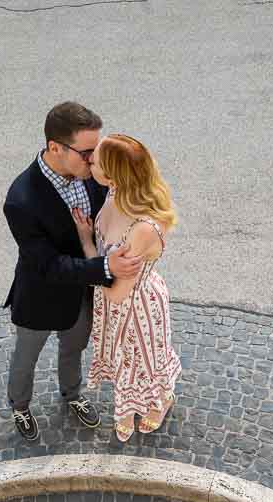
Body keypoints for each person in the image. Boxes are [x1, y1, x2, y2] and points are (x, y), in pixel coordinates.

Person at [3, 102, 143, 442]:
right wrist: (105, 267)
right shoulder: (21, 199)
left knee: (74, 348)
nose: (94, 160)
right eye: (87, 152)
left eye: (97, 150)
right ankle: (20, 406)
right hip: (39, 297)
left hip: (81, 296)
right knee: (26, 359)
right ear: (55, 147)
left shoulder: (92, 176)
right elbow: (48, 264)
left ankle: (72, 395)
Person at [72, 134, 181, 443]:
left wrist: (88, 262)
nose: (89, 160)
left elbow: (119, 291)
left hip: (138, 306)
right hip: (110, 299)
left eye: (95, 160)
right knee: (122, 362)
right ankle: (127, 410)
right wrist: (86, 239)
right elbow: (106, 273)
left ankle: (160, 402)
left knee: (143, 362)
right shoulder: (114, 192)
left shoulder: (144, 228)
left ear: (112, 173)